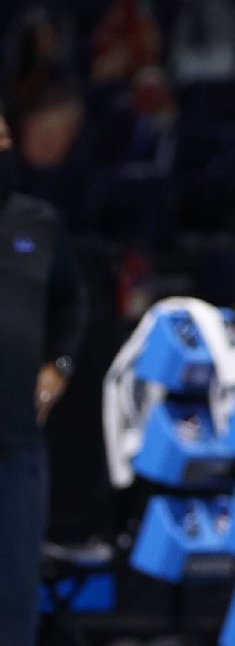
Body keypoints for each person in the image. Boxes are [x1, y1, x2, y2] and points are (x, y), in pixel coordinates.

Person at [0, 105, 88, 645]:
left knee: (13, 606)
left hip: (16, 448)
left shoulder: (39, 223)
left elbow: (73, 303)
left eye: (6, 135)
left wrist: (60, 366)